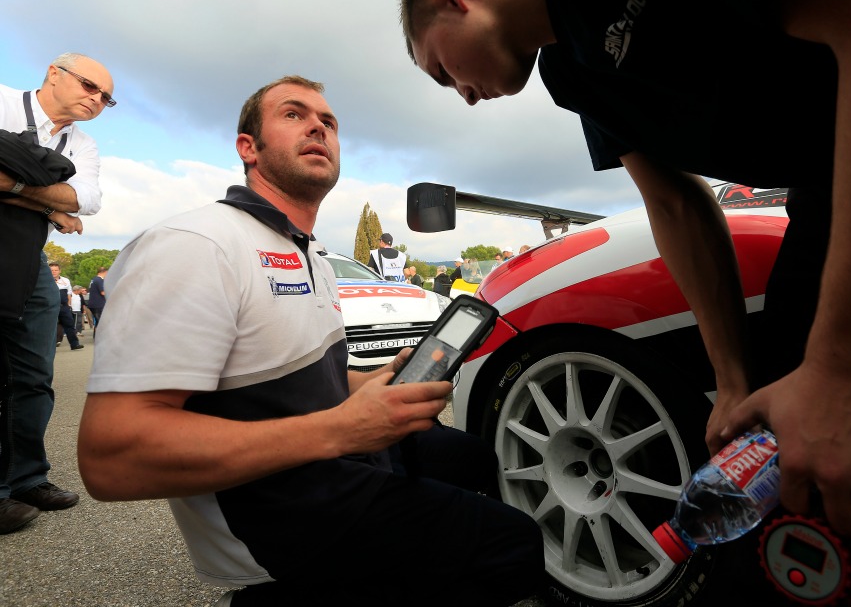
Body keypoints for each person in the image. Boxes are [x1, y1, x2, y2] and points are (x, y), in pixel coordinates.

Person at [396, 0, 851, 603]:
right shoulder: (572, 73)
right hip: (825, 195)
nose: (461, 95)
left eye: (440, 71)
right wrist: (734, 380)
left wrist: (850, 367)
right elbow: (676, 206)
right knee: (795, 454)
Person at [77, 75, 543, 606]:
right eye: (294, 114)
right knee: (516, 547)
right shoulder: (196, 244)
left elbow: (292, 373)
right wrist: (342, 429)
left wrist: (376, 381)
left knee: (473, 459)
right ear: (247, 148)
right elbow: (111, 457)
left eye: (329, 121)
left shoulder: (314, 254)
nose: (319, 125)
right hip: (278, 513)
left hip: (340, 454)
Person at [0, 52, 112, 534]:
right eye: (90, 86)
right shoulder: (3, 103)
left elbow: (86, 200)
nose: (97, 100)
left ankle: (27, 477)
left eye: (107, 98)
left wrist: (19, 184)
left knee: (34, 375)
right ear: (53, 73)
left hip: (29, 255)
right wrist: (51, 198)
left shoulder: (82, 144)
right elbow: (65, 199)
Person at [86, 265, 107, 330]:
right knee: (101, 322)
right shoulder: (99, 280)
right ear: (104, 272)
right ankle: (98, 337)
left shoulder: (93, 280)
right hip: (98, 304)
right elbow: (102, 292)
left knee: (98, 322)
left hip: (93, 304)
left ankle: (96, 337)